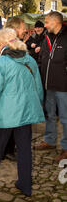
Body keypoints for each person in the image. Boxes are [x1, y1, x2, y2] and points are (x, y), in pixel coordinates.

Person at [0, 28, 45, 197]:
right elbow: (38, 88)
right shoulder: (29, 60)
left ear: (2, 44)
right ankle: (25, 184)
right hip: (25, 113)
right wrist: (37, 105)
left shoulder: (0, 63)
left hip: (6, 113)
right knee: (24, 149)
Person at [35, 11, 67, 162]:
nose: (45, 25)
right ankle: (50, 140)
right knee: (49, 115)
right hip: (48, 85)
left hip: (63, 86)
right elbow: (42, 58)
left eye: (47, 22)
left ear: (56, 22)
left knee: (66, 118)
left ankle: (66, 148)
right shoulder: (46, 37)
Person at [2, 16, 28, 160]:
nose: (25, 30)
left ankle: (8, 148)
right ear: (15, 29)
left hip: (17, 90)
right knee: (9, 124)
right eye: (23, 27)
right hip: (10, 91)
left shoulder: (15, 44)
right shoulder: (8, 46)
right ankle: (5, 150)